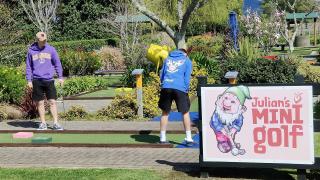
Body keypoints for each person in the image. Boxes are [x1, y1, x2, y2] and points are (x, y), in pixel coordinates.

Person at [26, 32, 64, 130]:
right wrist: (29, 80)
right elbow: (29, 67)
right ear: (37, 40)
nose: (44, 42)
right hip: (37, 80)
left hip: (49, 80)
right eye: (42, 41)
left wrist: (60, 77)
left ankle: (56, 123)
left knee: (52, 102)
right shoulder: (31, 51)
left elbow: (57, 64)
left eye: (45, 40)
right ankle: (43, 123)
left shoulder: (51, 49)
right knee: (40, 103)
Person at [158, 46, 193, 145]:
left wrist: (163, 84)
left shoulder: (167, 59)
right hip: (180, 88)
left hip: (166, 86)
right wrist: (186, 89)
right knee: (185, 112)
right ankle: (189, 138)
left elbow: (162, 74)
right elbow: (187, 77)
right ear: (185, 53)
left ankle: (162, 138)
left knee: (165, 112)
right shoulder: (187, 60)